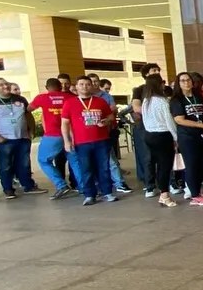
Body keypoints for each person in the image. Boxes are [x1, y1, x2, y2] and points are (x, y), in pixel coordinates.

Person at [0, 77, 46, 199]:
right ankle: (8, 189)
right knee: (5, 165)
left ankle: (28, 186)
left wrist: (31, 130)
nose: (5, 86)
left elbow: (28, 115)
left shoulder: (20, 99)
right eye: (1, 85)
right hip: (4, 140)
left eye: (6, 84)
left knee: (24, 163)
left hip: (22, 138)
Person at [60, 76, 117, 205]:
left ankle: (107, 192)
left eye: (87, 84)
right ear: (76, 86)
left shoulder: (100, 101)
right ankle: (90, 195)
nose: (84, 87)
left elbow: (111, 116)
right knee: (86, 169)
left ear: (92, 86)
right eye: (81, 84)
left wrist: (107, 121)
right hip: (82, 142)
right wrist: (67, 141)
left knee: (104, 168)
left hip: (101, 140)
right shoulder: (70, 103)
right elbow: (65, 123)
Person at [28, 78, 82, 199]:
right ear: (60, 86)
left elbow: (28, 109)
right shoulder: (70, 98)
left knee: (43, 160)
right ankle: (84, 187)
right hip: (70, 134)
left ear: (47, 87)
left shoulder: (41, 98)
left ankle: (61, 185)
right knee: (75, 162)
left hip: (52, 135)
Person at [170, 72, 203, 206]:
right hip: (187, 137)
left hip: (202, 136)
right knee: (192, 165)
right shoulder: (177, 100)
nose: (186, 83)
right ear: (179, 83)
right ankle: (194, 195)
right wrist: (199, 125)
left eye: (188, 80)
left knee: (200, 165)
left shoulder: (198, 96)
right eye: (183, 81)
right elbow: (179, 120)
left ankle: (198, 191)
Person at [140, 75, 179, 207]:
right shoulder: (162, 101)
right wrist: (176, 137)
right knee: (165, 167)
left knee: (158, 165)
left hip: (150, 135)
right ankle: (164, 195)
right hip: (163, 135)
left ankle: (162, 192)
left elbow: (144, 119)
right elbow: (169, 121)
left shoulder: (146, 101)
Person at [131, 63, 162, 197]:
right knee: (148, 157)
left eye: (158, 70)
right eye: (154, 70)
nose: (157, 72)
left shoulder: (164, 88)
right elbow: (136, 107)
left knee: (165, 157)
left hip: (162, 127)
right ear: (146, 74)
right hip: (145, 128)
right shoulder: (139, 90)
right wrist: (155, 112)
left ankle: (168, 183)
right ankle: (150, 186)